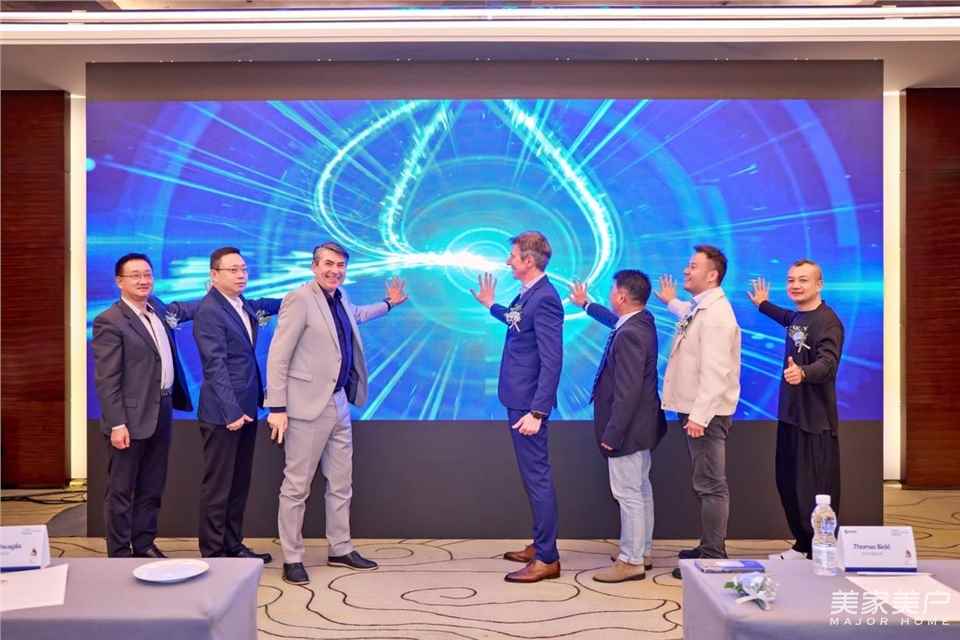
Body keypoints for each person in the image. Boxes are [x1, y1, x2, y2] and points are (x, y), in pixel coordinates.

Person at [264, 241, 408, 585]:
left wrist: (388, 303)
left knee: (341, 482)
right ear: (315, 266)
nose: (335, 270)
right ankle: (293, 558)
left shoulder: (340, 296)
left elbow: (357, 315)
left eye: (340, 265)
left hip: (339, 402)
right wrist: (277, 407)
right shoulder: (299, 299)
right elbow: (278, 355)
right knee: (296, 487)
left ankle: (340, 548)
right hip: (305, 407)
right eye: (328, 264)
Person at [471, 231, 563, 583]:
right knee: (532, 477)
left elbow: (553, 360)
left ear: (528, 260)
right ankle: (541, 545)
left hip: (528, 406)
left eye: (512, 256)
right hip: (519, 400)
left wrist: (538, 412)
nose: (508, 261)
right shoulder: (530, 294)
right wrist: (490, 305)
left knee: (537, 478)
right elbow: (517, 320)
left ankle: (547, 558)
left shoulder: (546, 298)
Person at [92, 253, 196, 558]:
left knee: (152, 484)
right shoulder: (110, 320)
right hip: (129, 416)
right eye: (135, 275)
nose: (143, 280)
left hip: (162, 409)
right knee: (121, 489)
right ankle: (119, 552)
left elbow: (186, 310)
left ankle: (144, 543)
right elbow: (108, 379)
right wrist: (117, 423)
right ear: (119, 281)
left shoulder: (158, 309)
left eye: (147, 274)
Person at [570, 271, 667, 582]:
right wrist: (586, 305)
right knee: (640, 490)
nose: (611, 294)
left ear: (622, 297)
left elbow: (628, 392)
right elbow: (615, 321)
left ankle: (631, 560)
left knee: (628, 494)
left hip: (629, 430)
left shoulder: (630, 334)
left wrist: (613, 433)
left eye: (613, 290)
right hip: (643, 427)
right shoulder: (640, 322)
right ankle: (642, 550)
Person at [748, 259, 844, 559]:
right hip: (790, 416)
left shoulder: (828, 321)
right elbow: (787, 317)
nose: (796, 285)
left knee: (813, 489)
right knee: (788, 484)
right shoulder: (798, 317)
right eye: (791, 280)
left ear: (819, 284)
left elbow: (828, 364)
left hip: (814, 421)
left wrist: (803, 372)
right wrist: (763, 305)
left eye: (803, 280)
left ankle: (820, 550)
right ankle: (803, 545)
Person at [657, 245, 741, 579]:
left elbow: (716, 372)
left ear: (712, 275)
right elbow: (687, 315)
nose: (685, 270)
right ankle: (709, 545)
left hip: (705, 415)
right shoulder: (702, 308)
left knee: (711, 485)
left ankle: (713, 555)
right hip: (697, 411)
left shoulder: (717, 315)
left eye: (693, 266)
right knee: (705, 482)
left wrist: (699, 417)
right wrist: (670, 301)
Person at [193, 246, 281, 562]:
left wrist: (307, 294)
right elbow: (214, 365)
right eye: (233, 270)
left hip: (246, 408)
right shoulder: (209, 310)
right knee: (218, 486)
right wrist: (231, 411)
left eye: (243, 269)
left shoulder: (241, 303)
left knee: (238, 482)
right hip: (223, 413)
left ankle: (233, 544)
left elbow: (269, 304)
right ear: (214, 274)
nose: (241, 275)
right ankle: (214, 551)